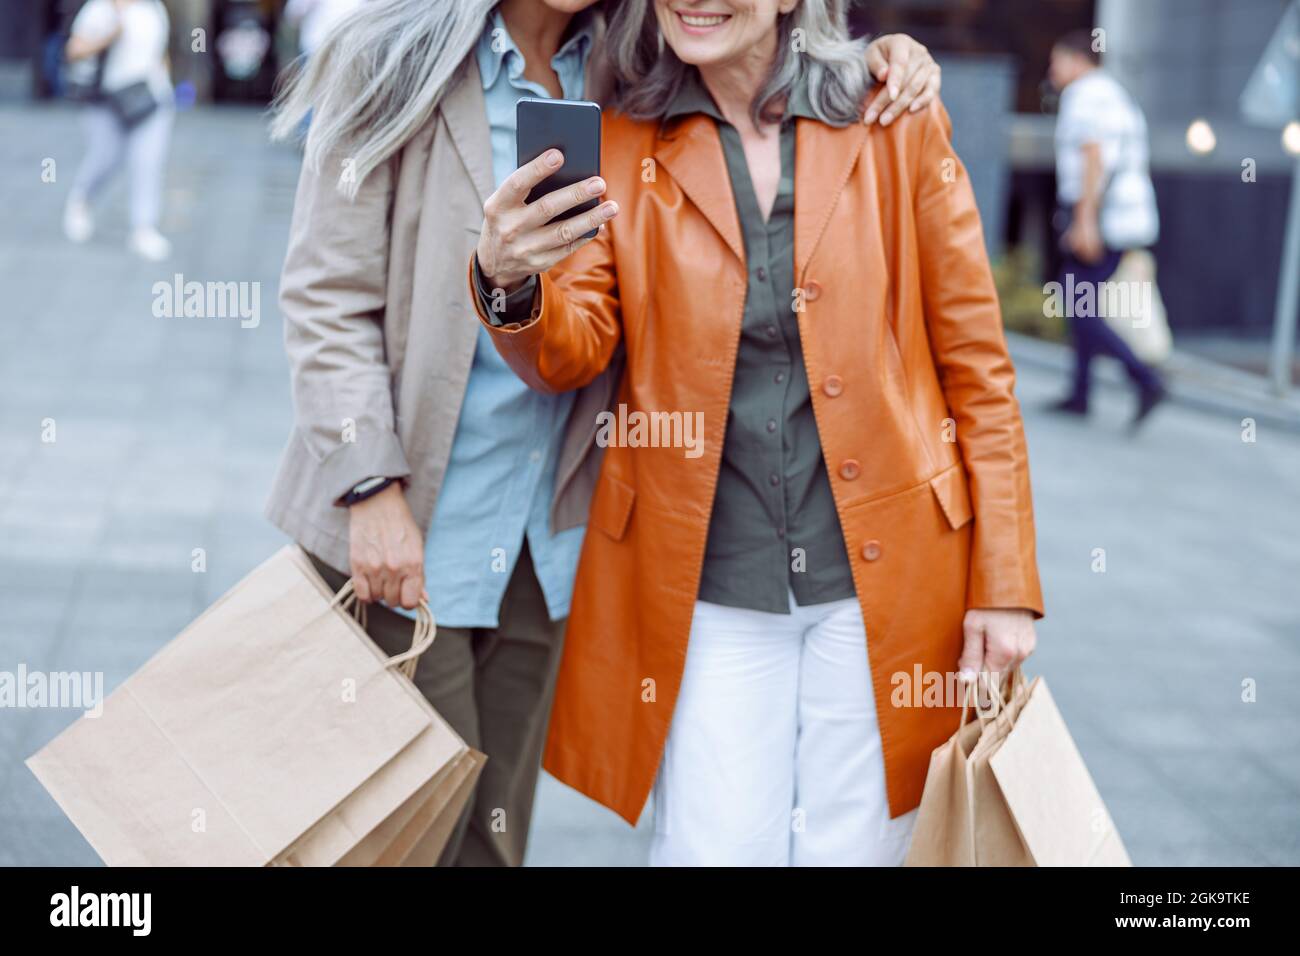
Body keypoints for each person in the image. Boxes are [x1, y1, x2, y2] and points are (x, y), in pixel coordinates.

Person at [266, 0, 941, 867]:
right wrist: (370, 489)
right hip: (410, 521)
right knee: (402, 834)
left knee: (493, 832)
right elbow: (325, 297)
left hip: (543, 543)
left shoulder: (633, 71)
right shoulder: (389, 57)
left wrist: (878, 58)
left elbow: (770, 52)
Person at [473, 0, 1042, 866]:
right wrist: (508, 281)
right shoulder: (624, 140)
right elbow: (573, 349)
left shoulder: (894, 115)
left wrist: (1005, 582)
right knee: (712, 847)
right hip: (704, 576)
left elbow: (978, 369)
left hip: (884, 575)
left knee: (857, 851)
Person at [1047, 28, 1165, 427]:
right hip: (1125, 215)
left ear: (1079, 61)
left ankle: (1145, 379)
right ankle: (1080, 394)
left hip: (1105, 219)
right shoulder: (1115, 94)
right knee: (1083, 300)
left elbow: (1093, 156)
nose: (1052, 69)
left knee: (1075, 301)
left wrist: (1084, 223)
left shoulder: (1083, 96)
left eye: (1057, 60)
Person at [63, 0, 174, 261]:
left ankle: (143, 228)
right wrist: (111, 35)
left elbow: (160, 50)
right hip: (108, 101)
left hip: (149, 99)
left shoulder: (154, 7)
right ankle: (81, 201)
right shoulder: (100, 9)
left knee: (148, 162)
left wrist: (164, 82)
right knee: (106, 158)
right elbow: (74, 50)